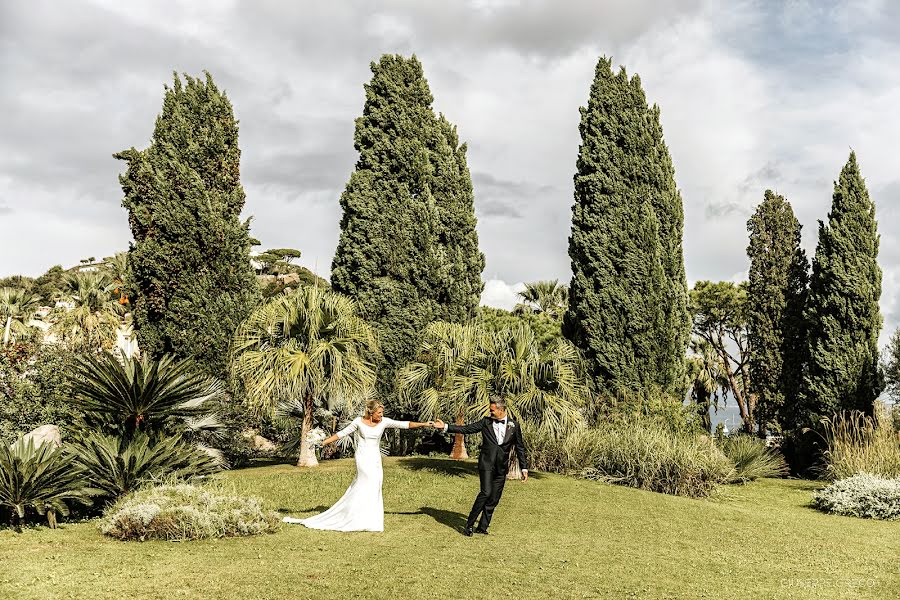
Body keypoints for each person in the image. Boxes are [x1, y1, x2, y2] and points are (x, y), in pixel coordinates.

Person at [282, 400, 432, 532]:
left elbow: (404, 425)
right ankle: (356, 516)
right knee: (365, 482)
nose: (381, 415)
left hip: (375, 458)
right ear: (371, 412)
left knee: (375, 485)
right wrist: (323, 442)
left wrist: (424, 424)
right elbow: (342, 434)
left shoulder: (384, 422)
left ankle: (370, 519)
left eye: (382, 413)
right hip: (363, 458)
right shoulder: (358, 422)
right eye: (379, 413)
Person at [434, 396, 528, 536]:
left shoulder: (514, 426)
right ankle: (469, 525)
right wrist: (446, 427)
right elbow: (467, 429)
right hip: (486, 464)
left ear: (501, 410)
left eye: (492, 410)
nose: (490, 412)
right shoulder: (485, 422)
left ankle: (482, 527)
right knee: (486, 493)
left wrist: (524, 468)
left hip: (501, 467)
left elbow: (519, 447)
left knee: (494, 498)